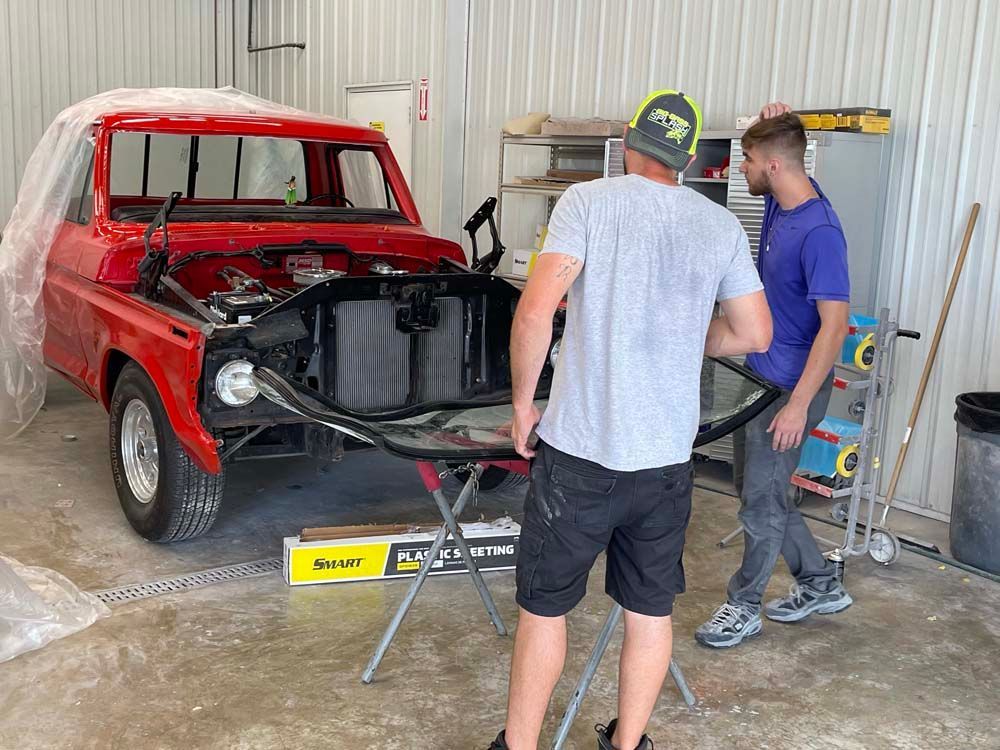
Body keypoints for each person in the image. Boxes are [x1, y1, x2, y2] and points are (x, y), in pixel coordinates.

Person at [488, 90, 772, 750]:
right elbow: (755, 332)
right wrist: (685, 332)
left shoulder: (587, 202)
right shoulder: (719, 225)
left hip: (581, 457)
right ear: (691, 157)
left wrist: (525, 407)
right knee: (648, 612)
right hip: (668, 463)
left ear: (629, 140)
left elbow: (534, 313)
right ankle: (628, 744)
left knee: (544, 609)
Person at [695, 103, 854, 650]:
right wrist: (778, 117)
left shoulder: (821, 232)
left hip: (790, 390)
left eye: (747, 160)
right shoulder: (780, 206)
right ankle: (819, 582)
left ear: (774, 167)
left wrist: (797, 404)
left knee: (761, 503)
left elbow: (834, 329)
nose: (741, 169)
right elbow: (787, 149)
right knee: (757, 493)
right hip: (759, 379)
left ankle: (743, 606)